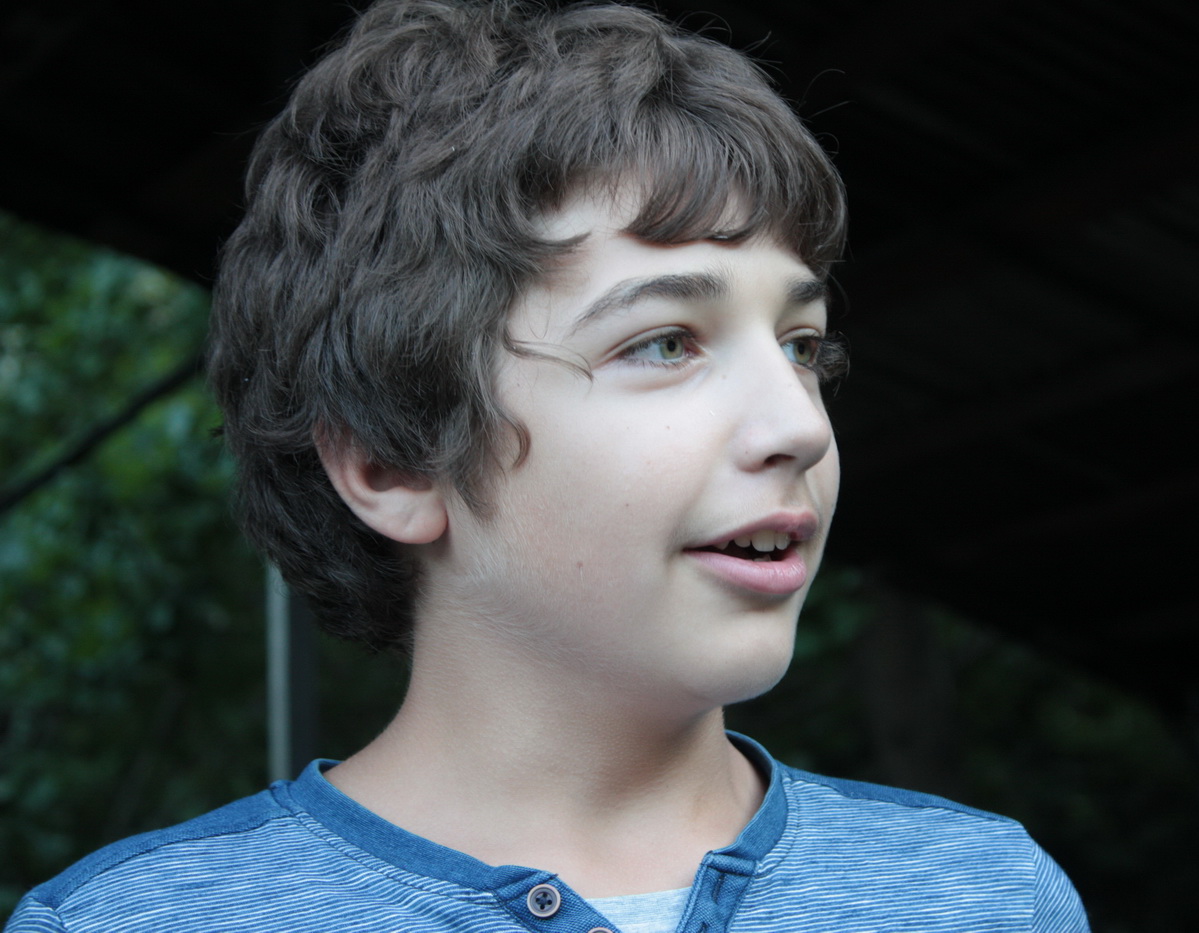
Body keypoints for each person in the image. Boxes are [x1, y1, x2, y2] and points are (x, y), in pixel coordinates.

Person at [5, 1, 1090, 930]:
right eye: (663, 343)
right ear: (391, 461)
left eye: (802, 346)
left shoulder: (988, 898)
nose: (798, 425)